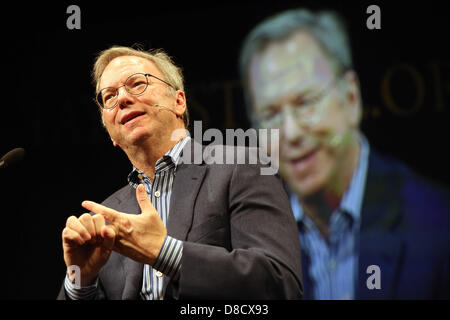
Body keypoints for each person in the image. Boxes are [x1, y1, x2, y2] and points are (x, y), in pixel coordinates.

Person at [57, 46, 303, 300]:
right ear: (110, 133)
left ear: (179, 102)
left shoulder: (242, 167)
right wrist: (81, 282)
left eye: (137, 83)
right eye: (108, 97)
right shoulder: (106, 220)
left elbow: (279, 283)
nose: (121, 99)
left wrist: (164, 252)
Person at [239, 9, 450, 299]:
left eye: (306, 103)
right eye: (270, 115)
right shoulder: (252, 247)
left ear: (351, 98)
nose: (291, 132)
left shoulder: (437, 224)